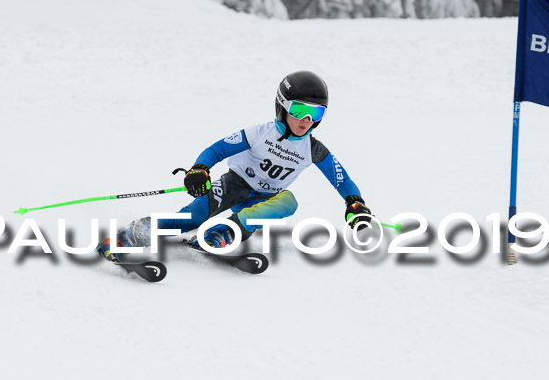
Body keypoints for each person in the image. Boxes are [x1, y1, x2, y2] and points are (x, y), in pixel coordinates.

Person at [97, 70, 372, 261]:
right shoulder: (259, 133)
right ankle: (129, 235)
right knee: (190, 218)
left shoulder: (313, 149)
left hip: (264, 202)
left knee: (289, 202)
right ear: (283, 106)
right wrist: (200, 169)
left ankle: (222, 233)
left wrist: (355, 204)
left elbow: (341, 179)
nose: (307, 120)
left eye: (317, 113)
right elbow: (217, 149)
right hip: (233, 185)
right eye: (300, 110)